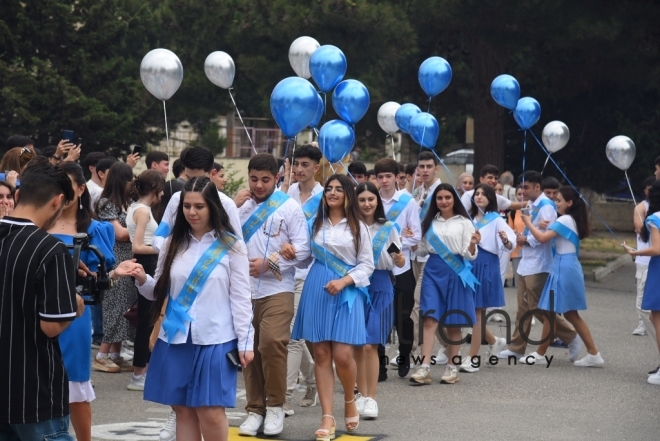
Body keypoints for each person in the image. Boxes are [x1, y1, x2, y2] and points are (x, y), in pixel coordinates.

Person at [115, 176, 255, 440]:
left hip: (216, 337)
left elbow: (241, 297)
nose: (192, 212)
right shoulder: (171, 244)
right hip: (176, 336)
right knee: (183, 410)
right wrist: (141, 278)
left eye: (199, 206)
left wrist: (247, 341)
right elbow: (159, 291)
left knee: (210, 411)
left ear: (213, 206)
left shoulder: (232, 246)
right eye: (187, 206)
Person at [0, 161, 83, 441]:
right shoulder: (50, 249)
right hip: (32, 393)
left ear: (19, 195)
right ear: (58, 201)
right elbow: (51, 325)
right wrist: (74, 304)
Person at [292, 174, 374, 440]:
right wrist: (289, 251)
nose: (333, 193)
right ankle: (327, 416)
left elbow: (367, 265)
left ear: (348, 194)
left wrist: (345, 281)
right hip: (317, 287)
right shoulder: (315, 223)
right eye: (329, 189)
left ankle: (350, 398)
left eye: (339, 189)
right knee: (322, 355)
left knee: (341, 355)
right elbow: (305, 258)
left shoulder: (358, 226)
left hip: (347, 291)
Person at [237, 154, 310, 437]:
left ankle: (276, 406)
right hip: (243, 290)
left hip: (277, 287)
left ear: (277, 178)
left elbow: (303, 250)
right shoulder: (240, 208)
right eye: (254, 179)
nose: (258, 185)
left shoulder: (289, 207)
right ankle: (255, 409)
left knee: (272, 343)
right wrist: (233, 204)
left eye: (265, 180)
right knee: (249, 349)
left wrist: (271, 262)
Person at [48, 162, 117, 441]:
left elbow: (102, 275)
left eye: (68, 185)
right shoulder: (39, 223)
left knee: (75, 388)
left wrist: (113, 274)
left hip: (76, 312)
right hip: (38, 309)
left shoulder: (97, 228)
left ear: (80, 188)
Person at [498, 171, 581, 362]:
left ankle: (570, 336)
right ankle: (517, 347)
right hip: (526, 262)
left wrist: (526, 239)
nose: (523, 191)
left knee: (539, 308)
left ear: (537, 187)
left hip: (540, 264)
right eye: (521, 188)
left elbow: (548, 236)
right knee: (523, 308)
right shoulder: (531, 205)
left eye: (526, 187)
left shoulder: (546, 207)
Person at [523, 186, 604, 367]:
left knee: (563, 313)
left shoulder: (566, 219)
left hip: (563, 266)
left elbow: (543, 239)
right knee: (559, 313)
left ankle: (591, 353)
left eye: (559, 200)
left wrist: (528, 222)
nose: (555, 203)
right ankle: (589, 353)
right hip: (566, 265)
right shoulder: (570, 219)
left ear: (569, 203)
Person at [409, 183, 480, 385]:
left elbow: (470, 255)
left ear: (454, 199)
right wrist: (412, 242)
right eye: (439, 198)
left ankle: (452, 367)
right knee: (429, 318)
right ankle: (424, 367)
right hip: (432, 270)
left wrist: (474, 242)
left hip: (456, 270)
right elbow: (421, 250)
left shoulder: (465, 223)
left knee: (453, 321)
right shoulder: (430, 222)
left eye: (447, 197)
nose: (443, 201)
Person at [354, 182, 404, 419]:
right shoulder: (350, 227)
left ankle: (371, 398)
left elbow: (397, 258)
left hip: (382, 285)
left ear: (377, 202)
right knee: (356, 343)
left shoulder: (389, 228)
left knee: (371, 344)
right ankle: (361, 395)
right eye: (362, 200)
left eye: (370, 199)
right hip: (356, 286)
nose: (366, 204)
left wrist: (401, 260)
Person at [284, 145, 323, 415]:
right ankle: (312, 382)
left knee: (292, 336)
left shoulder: (325, 195)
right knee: (298, 336)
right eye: (296, 164)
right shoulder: (288, 192)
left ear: (316, 167)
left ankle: (283, 397)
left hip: (310, 273)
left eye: (305, 164)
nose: (299, 169)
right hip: (284, 270)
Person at [374, 158, 421, 379]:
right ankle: (380, 366)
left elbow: (417, 236)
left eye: (388, 176)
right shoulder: (370, 200)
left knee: (403, 318)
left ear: (397, 177)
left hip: (402, 270)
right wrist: (402, 236)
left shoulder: (407, 201)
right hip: (378, 270)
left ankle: (404, 355)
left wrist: (395, 242)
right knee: (380, 318)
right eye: (380, 176)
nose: (384, 181)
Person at [459, 184, 513, 373]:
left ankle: (472, 358)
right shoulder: (469, 219)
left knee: (478, 312)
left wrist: (506, 239)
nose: (479, 196)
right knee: (470, 312)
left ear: (491, 198)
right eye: (477, 194)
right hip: (469, 266)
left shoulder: (497, 219)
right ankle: (494, 341)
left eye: (483, 194)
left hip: (486, 265)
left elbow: (509, 242)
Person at [94, 162, 137, 373]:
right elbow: (120, 234)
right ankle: (101, 355)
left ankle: (115, 354)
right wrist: (139, 229)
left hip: (128, 259)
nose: (133, 182)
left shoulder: (128, 203)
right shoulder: (106, 203)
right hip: (115, 260)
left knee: (125, 307)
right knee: (114, 306)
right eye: (130, 178)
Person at [125, 170, 165, 391]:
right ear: (156, 189)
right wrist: (161, 248)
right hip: (146, 263)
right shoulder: (142, 211)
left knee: (147, 319)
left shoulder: (137, 208)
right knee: (147, 321)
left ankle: (143, 370)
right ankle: (139, 372)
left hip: (145, 262)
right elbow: (137, 245)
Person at [625, 179, 660, 384]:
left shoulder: (655, 217)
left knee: (657, 317)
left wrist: (635, 251)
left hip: (658, 268)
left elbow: (656, 248)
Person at [632, 177, 656, 339]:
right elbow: (639, 228)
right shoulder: (641, 207)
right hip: (644, 260)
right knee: (642, 295)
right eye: (648, 189)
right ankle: (643, 323)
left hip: (654, 259)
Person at [506, 185, 526, 287]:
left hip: (532, 248)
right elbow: (510, 230)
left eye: (524, 193)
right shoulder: (513, 213)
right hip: (517, 250)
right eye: (519, 194)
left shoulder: (534, 210)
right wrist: (516, 235)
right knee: (520, 283)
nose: (522, 196)